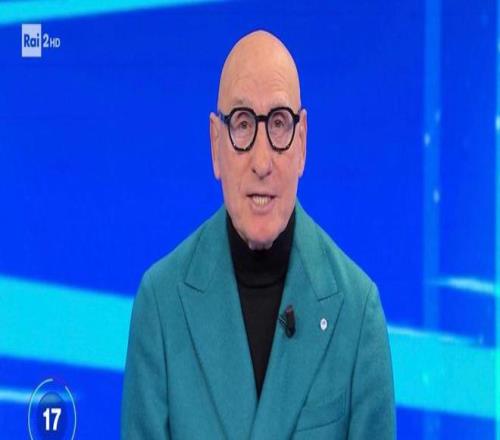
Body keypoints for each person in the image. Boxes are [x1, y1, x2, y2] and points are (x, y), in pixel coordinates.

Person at [121, 30, 395, 439]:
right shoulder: (160, 305)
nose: (262, 161)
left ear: (302, 143)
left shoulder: (357, 313)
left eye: (279, 124)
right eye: (243, 124)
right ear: (216, 145)